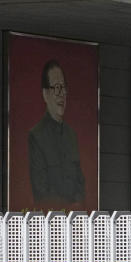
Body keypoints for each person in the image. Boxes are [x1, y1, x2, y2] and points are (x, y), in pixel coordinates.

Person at [27, 60, 85, 205]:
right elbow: (41, 193)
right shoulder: (37, 136)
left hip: (75, 221)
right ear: (45, 94)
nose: (62, 94)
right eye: (57, 88)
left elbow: (80, 183)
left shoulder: (71, 135)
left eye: (64, 88)